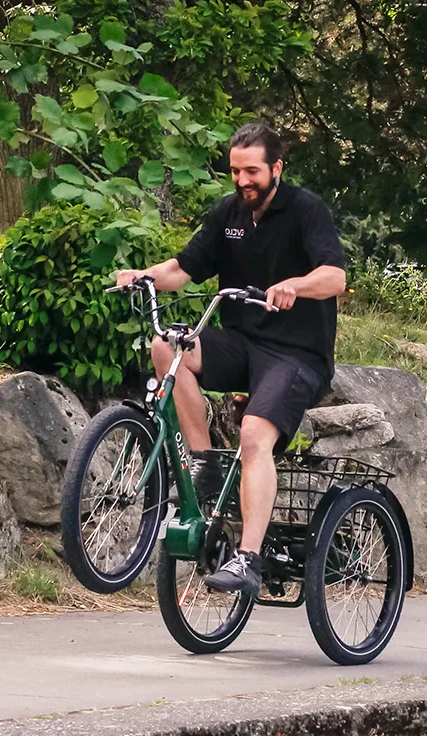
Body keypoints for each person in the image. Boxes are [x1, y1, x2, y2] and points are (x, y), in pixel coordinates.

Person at [114, 121, 347, 595]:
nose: (243, 180)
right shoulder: (228, 214)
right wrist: (144, 275)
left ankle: (249, 559)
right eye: (236, 171)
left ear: (276, 168)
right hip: (241, 344)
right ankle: (202, 461)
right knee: (166, 347)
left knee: (253, 435)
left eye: (253, 171)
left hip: (296, 355)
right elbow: (183, 268)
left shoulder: (305, 210)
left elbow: (335, 277)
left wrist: (295, 286)